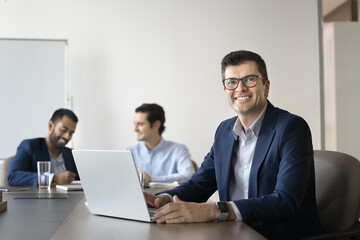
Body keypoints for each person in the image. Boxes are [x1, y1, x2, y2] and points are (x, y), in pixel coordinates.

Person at [144, 50, 322, 239]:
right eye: (232, 82)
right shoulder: (224, 131)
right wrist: (163, 199)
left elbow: (286, 202)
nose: (240, 88)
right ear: (225, 90)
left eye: (250, 79)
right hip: (233, 233)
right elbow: (199, 186)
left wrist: (216, 210)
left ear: (266, 86)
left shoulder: (291, 128)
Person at [7, 108, 80, 187]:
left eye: (71, 133)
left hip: (71, 198)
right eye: (63, 130)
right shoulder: (30, 146)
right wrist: (53, 177)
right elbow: (13, 176)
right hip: (40, 198)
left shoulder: (71, 154)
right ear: (51, 125)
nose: (67, 136)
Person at [127, 103, 194, 184]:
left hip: (167, 196)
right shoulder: (129, 152)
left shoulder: (178, 150)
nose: (135, 129)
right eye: (135, 124)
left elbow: (188, 176)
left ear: (156, 124)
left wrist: (152, 179)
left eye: (140, 124)